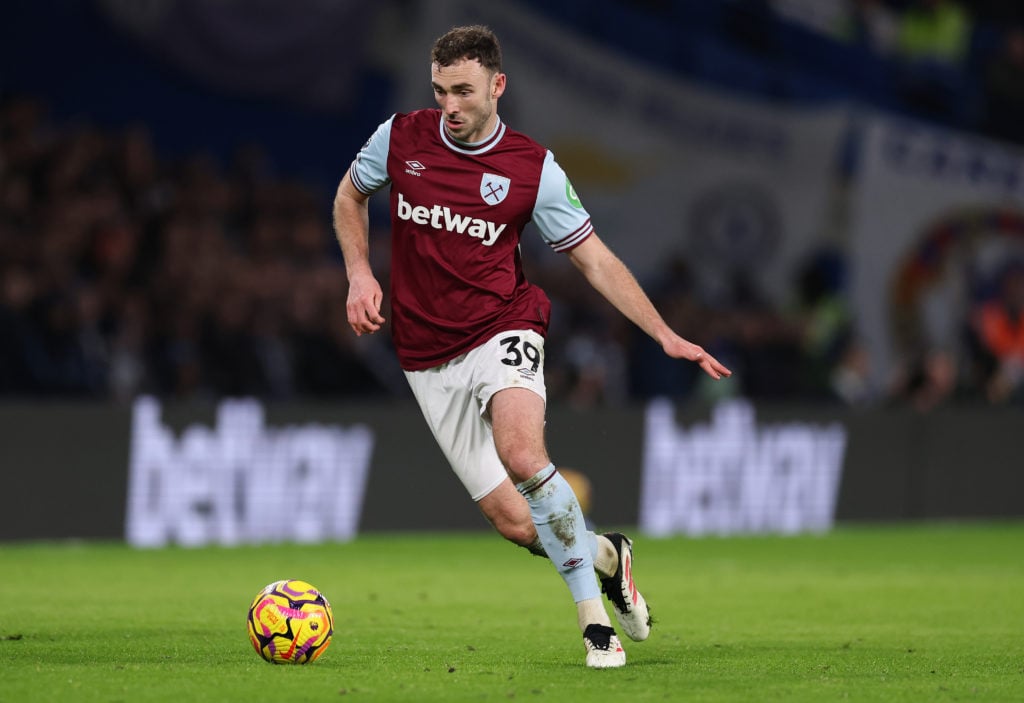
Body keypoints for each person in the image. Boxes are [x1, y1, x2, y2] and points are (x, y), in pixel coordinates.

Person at [332, 25, 731, 668]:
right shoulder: (399, 137)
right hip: (426, 355)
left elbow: (593, 259)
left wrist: (664, 333)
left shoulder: (532, 169)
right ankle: (608, 556)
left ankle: (592, 620)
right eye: (440, 92)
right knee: (517, 522)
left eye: (463, 91)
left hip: (503, 327)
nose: (450, 107)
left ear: (498, 85)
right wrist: (357, 271)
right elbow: (350, 196)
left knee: (523, 453)